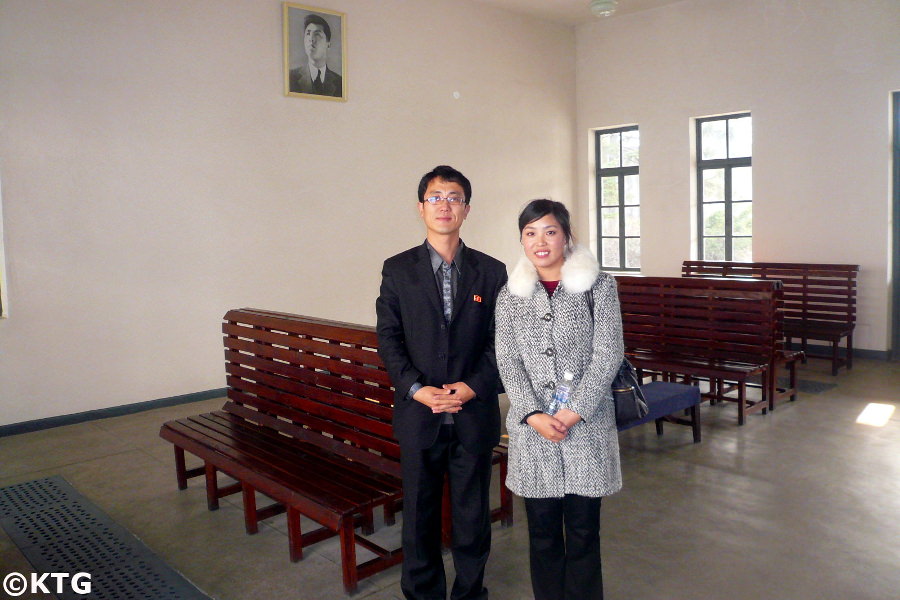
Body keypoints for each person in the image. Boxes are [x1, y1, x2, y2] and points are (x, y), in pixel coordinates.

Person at [376, 165, 507, 600]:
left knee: (472, 519)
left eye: (454, 197)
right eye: (435, 197)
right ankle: (422, 594)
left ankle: (470, 593)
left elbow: (502, 342)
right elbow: (389, 339)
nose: (444, 204)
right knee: (419, 518)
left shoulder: (492, 272)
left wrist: (472, 386)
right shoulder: (398, 270)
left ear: (467, 209)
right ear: (421, 208)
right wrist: (415, 388)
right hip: (419, 415)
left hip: (473, 415)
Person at [494, 199, 623, 600]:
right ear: (521, 240)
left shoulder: (598, 286)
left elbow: (609, 352)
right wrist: (531, 413)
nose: (540, 241)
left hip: (586, 427)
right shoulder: (510, 295)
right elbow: (508, 359)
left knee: (584, 532)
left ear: (566, 236)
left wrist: (574, 410)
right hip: (535, 434)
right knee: (544, 534)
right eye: (530, 233)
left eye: (549, 231)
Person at [289, 13, 342, 97]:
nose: (311, 39)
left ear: (328, 45)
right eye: (308, 34)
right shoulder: (291, 77)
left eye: (317, 34)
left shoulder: (340, 82)